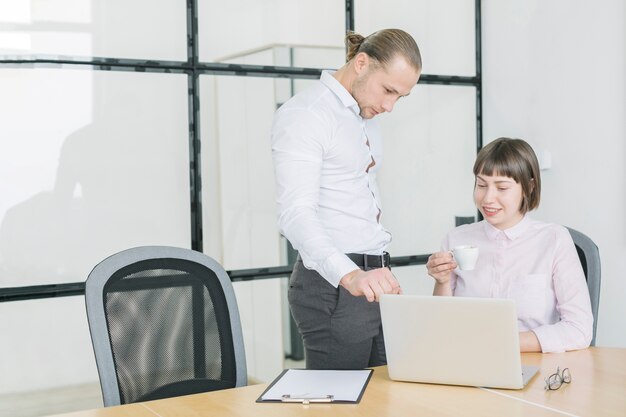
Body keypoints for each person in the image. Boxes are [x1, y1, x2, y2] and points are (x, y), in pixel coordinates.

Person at [271, 29, 422, 369]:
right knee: (339, 404)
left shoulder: (363, 115)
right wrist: (350, 275)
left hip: (375, 277)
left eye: (400, 97)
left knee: (386, 398)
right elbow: (295, 214)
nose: (389, 106)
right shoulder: (306, 114)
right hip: (335, 286)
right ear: (362, 63)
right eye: (388, 91)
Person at [426, 138, 593, 353]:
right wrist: (441, 282)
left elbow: (579, 329)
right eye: (482, 185)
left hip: (535, 366)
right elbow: (442, 326)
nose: (488, 198)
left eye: (502, 187)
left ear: (528, 187)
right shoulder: (456, 239)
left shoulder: (554, 240)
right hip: (467, 360)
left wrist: (501, 343)